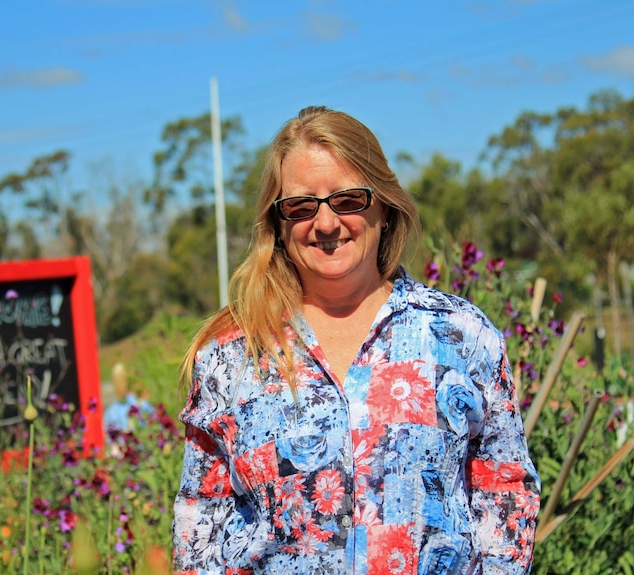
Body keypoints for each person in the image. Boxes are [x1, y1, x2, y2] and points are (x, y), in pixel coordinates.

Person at [172, 106, 540, 574]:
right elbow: (199, 519)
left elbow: (505, 489)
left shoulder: (461, 336)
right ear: (279, 225)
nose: (326, 224)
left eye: (348, 200)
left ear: (383, 206)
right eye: (302, 206)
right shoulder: (230, 354)